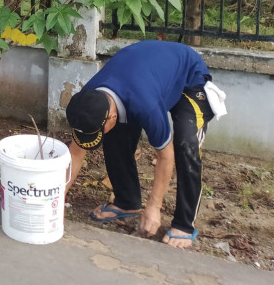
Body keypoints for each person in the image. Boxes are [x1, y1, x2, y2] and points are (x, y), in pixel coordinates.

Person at [64, 40, 227, 249]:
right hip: (149, 77)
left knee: (185, 144)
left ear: (112, 115)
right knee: (115, 134)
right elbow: (76, 153)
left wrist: (154, 206)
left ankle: (185, 224)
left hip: (189, 77)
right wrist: (57, 199)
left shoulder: (145, 105)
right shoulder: (90, 98)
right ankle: (127, 202)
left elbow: (165, 156)